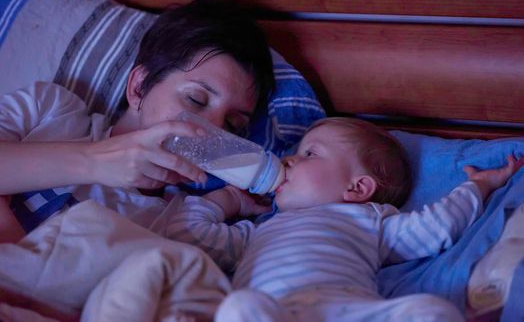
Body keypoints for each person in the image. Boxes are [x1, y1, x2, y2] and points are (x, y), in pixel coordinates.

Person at [158, 117, 524, 322]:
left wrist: (476, 187)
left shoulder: (370, 219)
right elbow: (188, 234)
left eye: (310, 153)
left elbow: (435, 227)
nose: (289, 161)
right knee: (239, 308)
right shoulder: (256, 232)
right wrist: (228, 199)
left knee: (432, 311)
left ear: (357, 188)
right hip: (276, 313)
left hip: (347, 310)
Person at [0, 0, 275, 242]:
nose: (213, 131)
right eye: (196, 99)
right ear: (138, 87)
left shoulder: (179, 226)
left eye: (232, 125)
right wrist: (94, 161)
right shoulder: (49, 109)